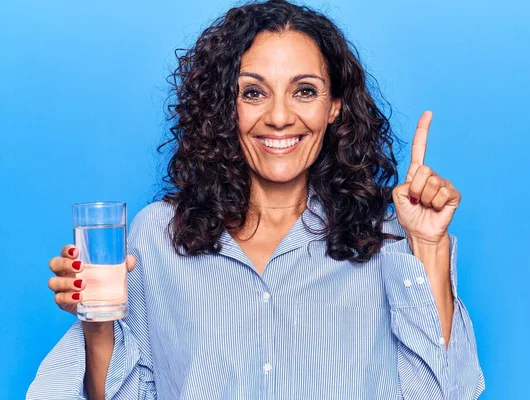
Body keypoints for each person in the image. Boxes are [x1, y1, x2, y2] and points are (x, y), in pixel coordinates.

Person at [27, 0, 484, 398]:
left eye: (304, 91)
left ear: (334, 107)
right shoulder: (157, 236)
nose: (280, 116)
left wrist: (426, 245)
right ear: (227, 106)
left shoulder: (383, 240)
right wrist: (96, 319)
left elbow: (442, 395)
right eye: (253, 92)